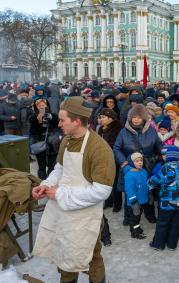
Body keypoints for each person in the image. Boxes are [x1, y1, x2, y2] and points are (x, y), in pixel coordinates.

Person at [31, 96, 116, 283]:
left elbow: (102, 191)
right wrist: (46, 185)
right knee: (65, 252)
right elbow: (60, 169)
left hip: (86, 215)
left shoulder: (99, 149)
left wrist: (61, 194)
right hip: (64, 210)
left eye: (62, 120)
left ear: (77, 121)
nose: (58, 123)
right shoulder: (67, 140)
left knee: (90, 256)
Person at [114, 104, 161, 225]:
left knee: (148, 191)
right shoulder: (123, 132)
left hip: (147, 167)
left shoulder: (151, 130)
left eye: (139, 117)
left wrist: (163, 155)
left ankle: (149, 215)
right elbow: (117, 148)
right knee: (130, 192)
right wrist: (124, 164)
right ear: (130, 118)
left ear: (144, 118)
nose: (136, 119)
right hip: (129, 169)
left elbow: (159, 146)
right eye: (134, 117)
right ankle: (128, 217)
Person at [148, 146, 179, 251]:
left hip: (166, 202)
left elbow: (154, 181)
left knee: (162, 223)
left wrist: (148, 185)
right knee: (175, 224)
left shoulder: (165, 167)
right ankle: (172, 245)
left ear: (168, 157)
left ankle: (158, 244)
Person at [97, 108, 122, 212]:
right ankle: (108, 201)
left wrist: (105, 147)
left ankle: (117, 204)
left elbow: (117, 144)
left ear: (110, 118)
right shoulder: (101, 129)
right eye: (100, 117)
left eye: (103, 117)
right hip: (104, 158)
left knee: (115, 181)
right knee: (106, 181)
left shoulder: (118, 128)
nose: (101, 119)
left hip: (114, 158)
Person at [29, 98, 61, 180]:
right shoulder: (33, 117)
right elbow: (32, 132)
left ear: (47, 106)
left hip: (52, 145)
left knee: (52, 166)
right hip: (39, 144)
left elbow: (58, 128)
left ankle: (50, 182)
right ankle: (42, 182)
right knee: (41, 166)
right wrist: (38, 121)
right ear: (36, 107)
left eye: (43, 105)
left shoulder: (54, 116)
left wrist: (50, 117)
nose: (42, 107)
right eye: (39, 106)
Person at [124, 152, 149, 239]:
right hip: (134, 202)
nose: (140, 162)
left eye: (141, 160)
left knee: (138, 217)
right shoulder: (129, 175)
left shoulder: (144, 171)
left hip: (142, 200)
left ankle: (137, 228)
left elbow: (146, 185)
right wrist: (134, 202)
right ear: (131, 163)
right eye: (136, 161)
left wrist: (149, 194)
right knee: (134, 218)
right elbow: (129, 190)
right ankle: (134, 233)